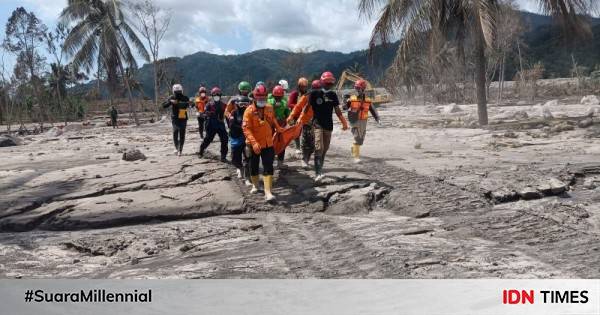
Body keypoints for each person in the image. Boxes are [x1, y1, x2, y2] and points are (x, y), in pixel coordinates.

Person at [242, 84, 284, 202]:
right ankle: (255, 185)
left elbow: (272, 119)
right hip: (253, 144)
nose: (261, 100)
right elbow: (246, 129)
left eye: (264, 98)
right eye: (259, 98)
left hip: (268, 143)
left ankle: (268, 192)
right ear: (254, 98)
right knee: (254, 166)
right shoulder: (248, 111)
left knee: (268, 166)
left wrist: (277, 127)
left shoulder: (269, 108)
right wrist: (254, 143)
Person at [308, 71, 348, 181]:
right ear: (322, 82)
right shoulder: (314, 94)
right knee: (318, 147)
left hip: (328, 125)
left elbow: (337, 110)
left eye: (330, 83)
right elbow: (306, 108)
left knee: (324, 149)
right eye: (326, 83)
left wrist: (344, 122)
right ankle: (318, 173)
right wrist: (301, 120)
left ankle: (320, 169)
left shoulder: (333, 95)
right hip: (317, 124)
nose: (328, 85)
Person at [344, 79, 380, 163]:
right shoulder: (351, 98)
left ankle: (353, 149)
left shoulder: (367, 99)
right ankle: (356, 157)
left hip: (363, 121)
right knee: (357, 137)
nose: (357, 90)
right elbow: (344, 108)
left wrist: (377, 118)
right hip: (354, 120)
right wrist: (346, 102)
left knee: (361, 140)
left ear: (363, 89)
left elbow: (372, 110)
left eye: (359, 88)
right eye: (356, 88)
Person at [287, 79, 320, 169]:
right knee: (305, 141)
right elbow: (296, 107)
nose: (304, 88)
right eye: (302, 86)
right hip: (305, 121)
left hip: (316, 122)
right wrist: (291, 116)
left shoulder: (322, 97)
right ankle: (303, 159)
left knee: (313, 145)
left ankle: (307, 158)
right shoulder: (305, 96)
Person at [226, 81, 253, 184]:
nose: (245, 93)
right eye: (243, 91)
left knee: (247, 157)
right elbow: (226, 112)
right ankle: (239, 167)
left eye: (247, 91)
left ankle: (247, 177)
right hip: (236, 134)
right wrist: (231, 120)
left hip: (247, 136)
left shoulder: (251, 100)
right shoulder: (233, 100)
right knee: (235, 158)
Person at [199, 87, 229, 161]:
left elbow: (227, 115)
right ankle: (201, 150)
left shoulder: (224, 105)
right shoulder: (209, 104)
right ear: (212, 95)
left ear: (220, 95)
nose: (216, 96)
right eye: (215, 94)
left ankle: (223, 156)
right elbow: (204, 114)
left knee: (225, 139)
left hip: (220, 125)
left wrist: (230, 126)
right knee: (208, 139)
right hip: (211, 125)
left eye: (218, 94)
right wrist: (209, 114)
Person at [162, 84, 191, 156]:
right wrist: (170, 102)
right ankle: (177, 148)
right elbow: (164, 105)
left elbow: (189, 105)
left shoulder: (185, 98)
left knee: (181, 133)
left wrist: (190, 103)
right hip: (175, 117)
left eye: (179, 91)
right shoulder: (171, 97)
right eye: (176, 92)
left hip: (182, 116)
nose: (178, 93)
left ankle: (180, 149)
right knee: (175, 132)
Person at [267, 85, 290, 168]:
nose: (278, 99)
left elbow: (287, 112)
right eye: (276, 97)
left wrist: (288, 120)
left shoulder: (284, 102)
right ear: (273, 96)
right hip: (271, 126)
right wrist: (273, 105)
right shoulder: (269, 102)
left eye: (280, 97)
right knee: (271, 144)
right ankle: (270, 162)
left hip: (281, 125)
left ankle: (280, 162)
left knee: (282, 144)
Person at [287, 77, 309, 156]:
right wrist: (299, 107)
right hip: (296, 115)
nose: (304, 88)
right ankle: (297, 147)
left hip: (305, 115)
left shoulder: (308, 94)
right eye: (302, 86)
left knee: (306, 132)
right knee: (297, 132)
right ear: (299, 86)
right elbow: (289, 104)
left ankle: (305, 147)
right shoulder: (294, 94)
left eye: (305, 86)